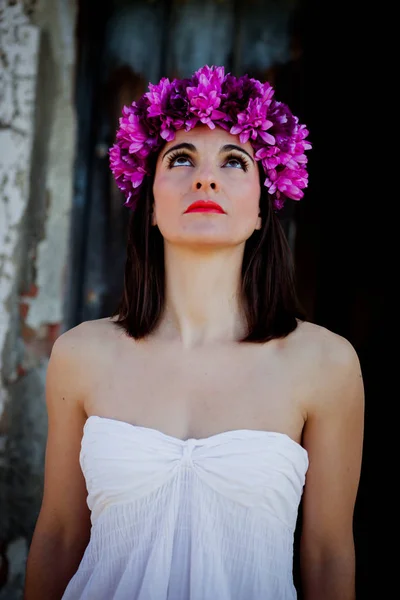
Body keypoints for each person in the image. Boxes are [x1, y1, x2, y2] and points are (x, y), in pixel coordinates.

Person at [24, 65, 364, 600]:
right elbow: (60, 535)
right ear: (151, 202)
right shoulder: (80, 354)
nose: (205, 179)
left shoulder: (325, 363)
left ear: (261, 208)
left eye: (234, 161)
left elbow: (327, 553)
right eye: (180, 158)